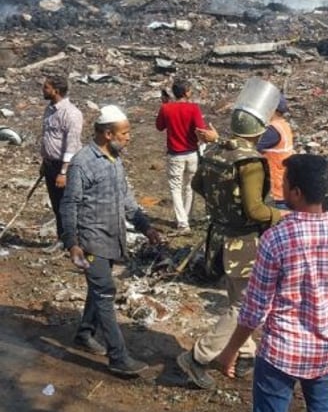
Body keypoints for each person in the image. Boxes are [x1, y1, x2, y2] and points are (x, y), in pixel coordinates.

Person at [217, 154, 328, 412]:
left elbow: (255, 308)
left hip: (279, 353)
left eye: (284, 183)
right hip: (323, 352)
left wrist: (231, 350)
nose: (281, 187)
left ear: (295, 192)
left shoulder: (275, 239)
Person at [177, 79, 284, 390]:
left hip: (219, 238)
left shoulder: (215, 151)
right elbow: (255, 210)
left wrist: (221, 200)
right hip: (244, 242)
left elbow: (197, 186)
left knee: (239, 298)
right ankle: (197, 358)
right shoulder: (250, 161)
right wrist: (281, 215)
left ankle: (245, 352)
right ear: (259, 129)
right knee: (245, 305)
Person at [60, 105, 161, 376]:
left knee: (99, 288)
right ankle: (118, 357)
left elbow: (127, 199)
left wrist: (145, 226)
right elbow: (69, 204)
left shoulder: (115, 159)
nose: (129, 137)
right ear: (107, 133)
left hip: (111, 238)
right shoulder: (83, 162)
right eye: (124, 133)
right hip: (90, 241)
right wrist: (72, 243)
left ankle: (84, 333)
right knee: (105, 292)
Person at [155, 79, 208, 234]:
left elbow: (159, 127)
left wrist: (163, 105)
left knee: (175, 188)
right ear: (185, 92)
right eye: (190, 90)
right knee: (189, 187)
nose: (191, 92)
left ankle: (183, 223)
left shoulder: (167, 108)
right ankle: (187, 217)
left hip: (175, 155)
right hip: (192, 153)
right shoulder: (193, 109)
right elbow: (201, 129)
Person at [40, 77, 83, 251]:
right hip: (50, 164)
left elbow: (71, 144)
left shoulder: (71, 113)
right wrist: (45, 162)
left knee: (69, 205)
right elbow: (47, 137)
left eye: (46, 87)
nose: (43, 90)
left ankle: (75, 242)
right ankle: (62, 239)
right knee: (56, 204)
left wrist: (63, 172)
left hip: (66, 166)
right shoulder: (49, 110)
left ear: (56, 91)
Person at [256, 96, 294, 210]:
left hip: (274, 191)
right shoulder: (283, 125)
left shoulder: (272, 131)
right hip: (282, 186)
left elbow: (250, 147)